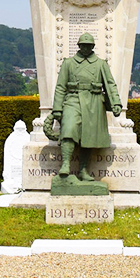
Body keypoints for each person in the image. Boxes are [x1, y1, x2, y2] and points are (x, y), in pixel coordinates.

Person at [46, 33, 122, 183]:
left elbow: (110, 84)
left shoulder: (101, 64)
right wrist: (57, 109)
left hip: (94, 102)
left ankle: (83, 170)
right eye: (83, 45)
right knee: (69, 128)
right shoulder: (68, 63)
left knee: (89, 137)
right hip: (73, 99)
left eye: (89, 45)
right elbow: (61, 87)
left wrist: (116, 103)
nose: (86, 48)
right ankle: (66, 164)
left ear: (93, 47)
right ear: (79, 46)